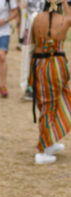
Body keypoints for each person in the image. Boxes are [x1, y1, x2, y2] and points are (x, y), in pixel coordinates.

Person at [29, 0, 71, 164]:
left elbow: (32, 42)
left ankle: (50, 140)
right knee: (50, 105)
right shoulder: (64, 20)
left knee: (46, 104)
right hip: (54, 65)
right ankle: (43, 149)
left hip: (38, 64)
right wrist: (65, 4)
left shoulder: (36, 18)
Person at [18, 0, 45, 101]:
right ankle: (28, 88)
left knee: (42, 59)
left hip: (44, 32)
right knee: (27, 60)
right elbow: (23, 10)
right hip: (27, 31)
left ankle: (40, 88)